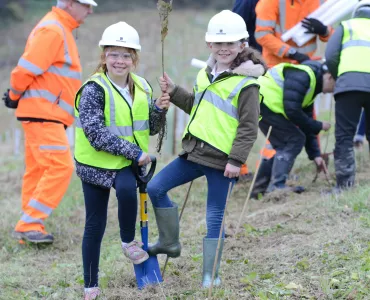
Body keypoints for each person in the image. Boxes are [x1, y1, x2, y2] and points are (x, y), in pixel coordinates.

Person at [147, 10, 267, 288]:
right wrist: (175, 91)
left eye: (230, 43)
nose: (224, 48)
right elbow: (197, 107)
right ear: (209, 45)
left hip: (223, 161)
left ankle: (210, 276)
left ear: (242, 45)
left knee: (213, 217)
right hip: (194, 153)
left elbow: (248, 128)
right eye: (218, 43)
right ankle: (169, 242)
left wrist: (237, 160)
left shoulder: (246, 84)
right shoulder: (206, 74)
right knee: (155, 188)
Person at [74, 21, 169, 299]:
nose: (119, 60)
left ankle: (128, 242)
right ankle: (90, 285)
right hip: (95, 165)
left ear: (134, 59)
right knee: (95, 223)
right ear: (104, 56)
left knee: (128, 191)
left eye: (126, 55)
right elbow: (95, 134)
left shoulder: (141, 86)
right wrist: (135, 153)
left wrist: (159, 110)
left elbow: (150, 127)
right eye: (113, 54)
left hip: (126, 163)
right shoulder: (94, 89)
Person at [1, 0, 96, 244]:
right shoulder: (53, 30)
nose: (90, 9)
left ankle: (29, 227)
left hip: (44, 113)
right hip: (44, 114)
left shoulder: (59, 29)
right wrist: (13, 94)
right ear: (69, 3)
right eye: (86, 5)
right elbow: (26, 69)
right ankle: (29, 223)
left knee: (38, 171)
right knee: (60, 167)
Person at [251, 60, 335, 197]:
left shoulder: (312, 87)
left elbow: (305, 124)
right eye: (336, 85)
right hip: (262, 102)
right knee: (294, 139)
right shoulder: (304, 76)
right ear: (330, 76)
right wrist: (319, 125)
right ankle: (277, 187)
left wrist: (316, 155)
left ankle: (259, 190)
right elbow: (292, 111)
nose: (334, 90)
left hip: (261, 103)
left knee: (283, 144)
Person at [325, 0, 370, 190]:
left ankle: (344, 185)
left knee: (344, 136)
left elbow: (330, 56)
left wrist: (340, 77)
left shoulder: (345, 26)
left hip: (348, 87)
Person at [255, 0, 333, 67]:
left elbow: (334, 35)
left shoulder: (320, 1)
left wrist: (324, 31)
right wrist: (292, 53)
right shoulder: (270, 2)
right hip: (277, 66)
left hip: (307, 64)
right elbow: (262, 34)